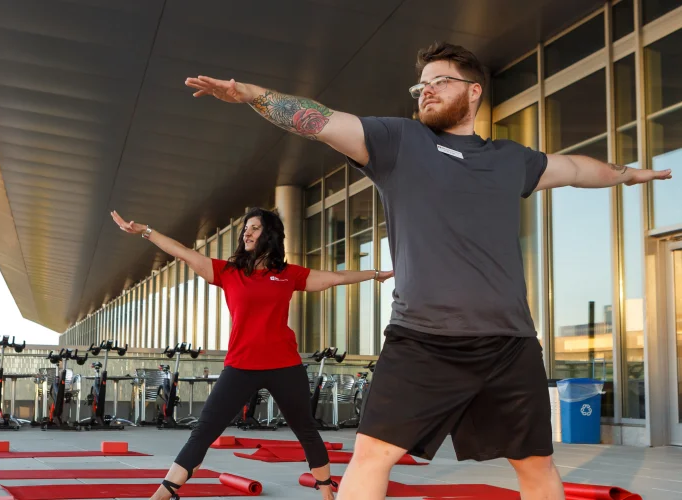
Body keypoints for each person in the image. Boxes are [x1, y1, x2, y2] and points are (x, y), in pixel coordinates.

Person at [184, 41, 671, 500]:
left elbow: (578, 170)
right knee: (372, 453)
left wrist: (628, 174)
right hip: (422, 339)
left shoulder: (510, 161)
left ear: (473, 90)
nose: (426, 91)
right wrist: (254, 96)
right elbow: (319, 121)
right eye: (421, 85)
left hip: (508, 343)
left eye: (440, 80)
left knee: (535, 463)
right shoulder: (398, 142)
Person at [110, 208, 393, 500]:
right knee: (204, 430)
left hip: (285, 366)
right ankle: (164, 493)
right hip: (241, 365)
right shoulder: (228, 272)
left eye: (255, 228)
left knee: (306, 429)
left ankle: (326, 493)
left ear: (269, 234)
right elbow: (183, 253)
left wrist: (374, 274)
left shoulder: (287, 275)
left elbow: (334, 276)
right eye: (246, 228)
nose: (246, 232)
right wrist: (146, 231)